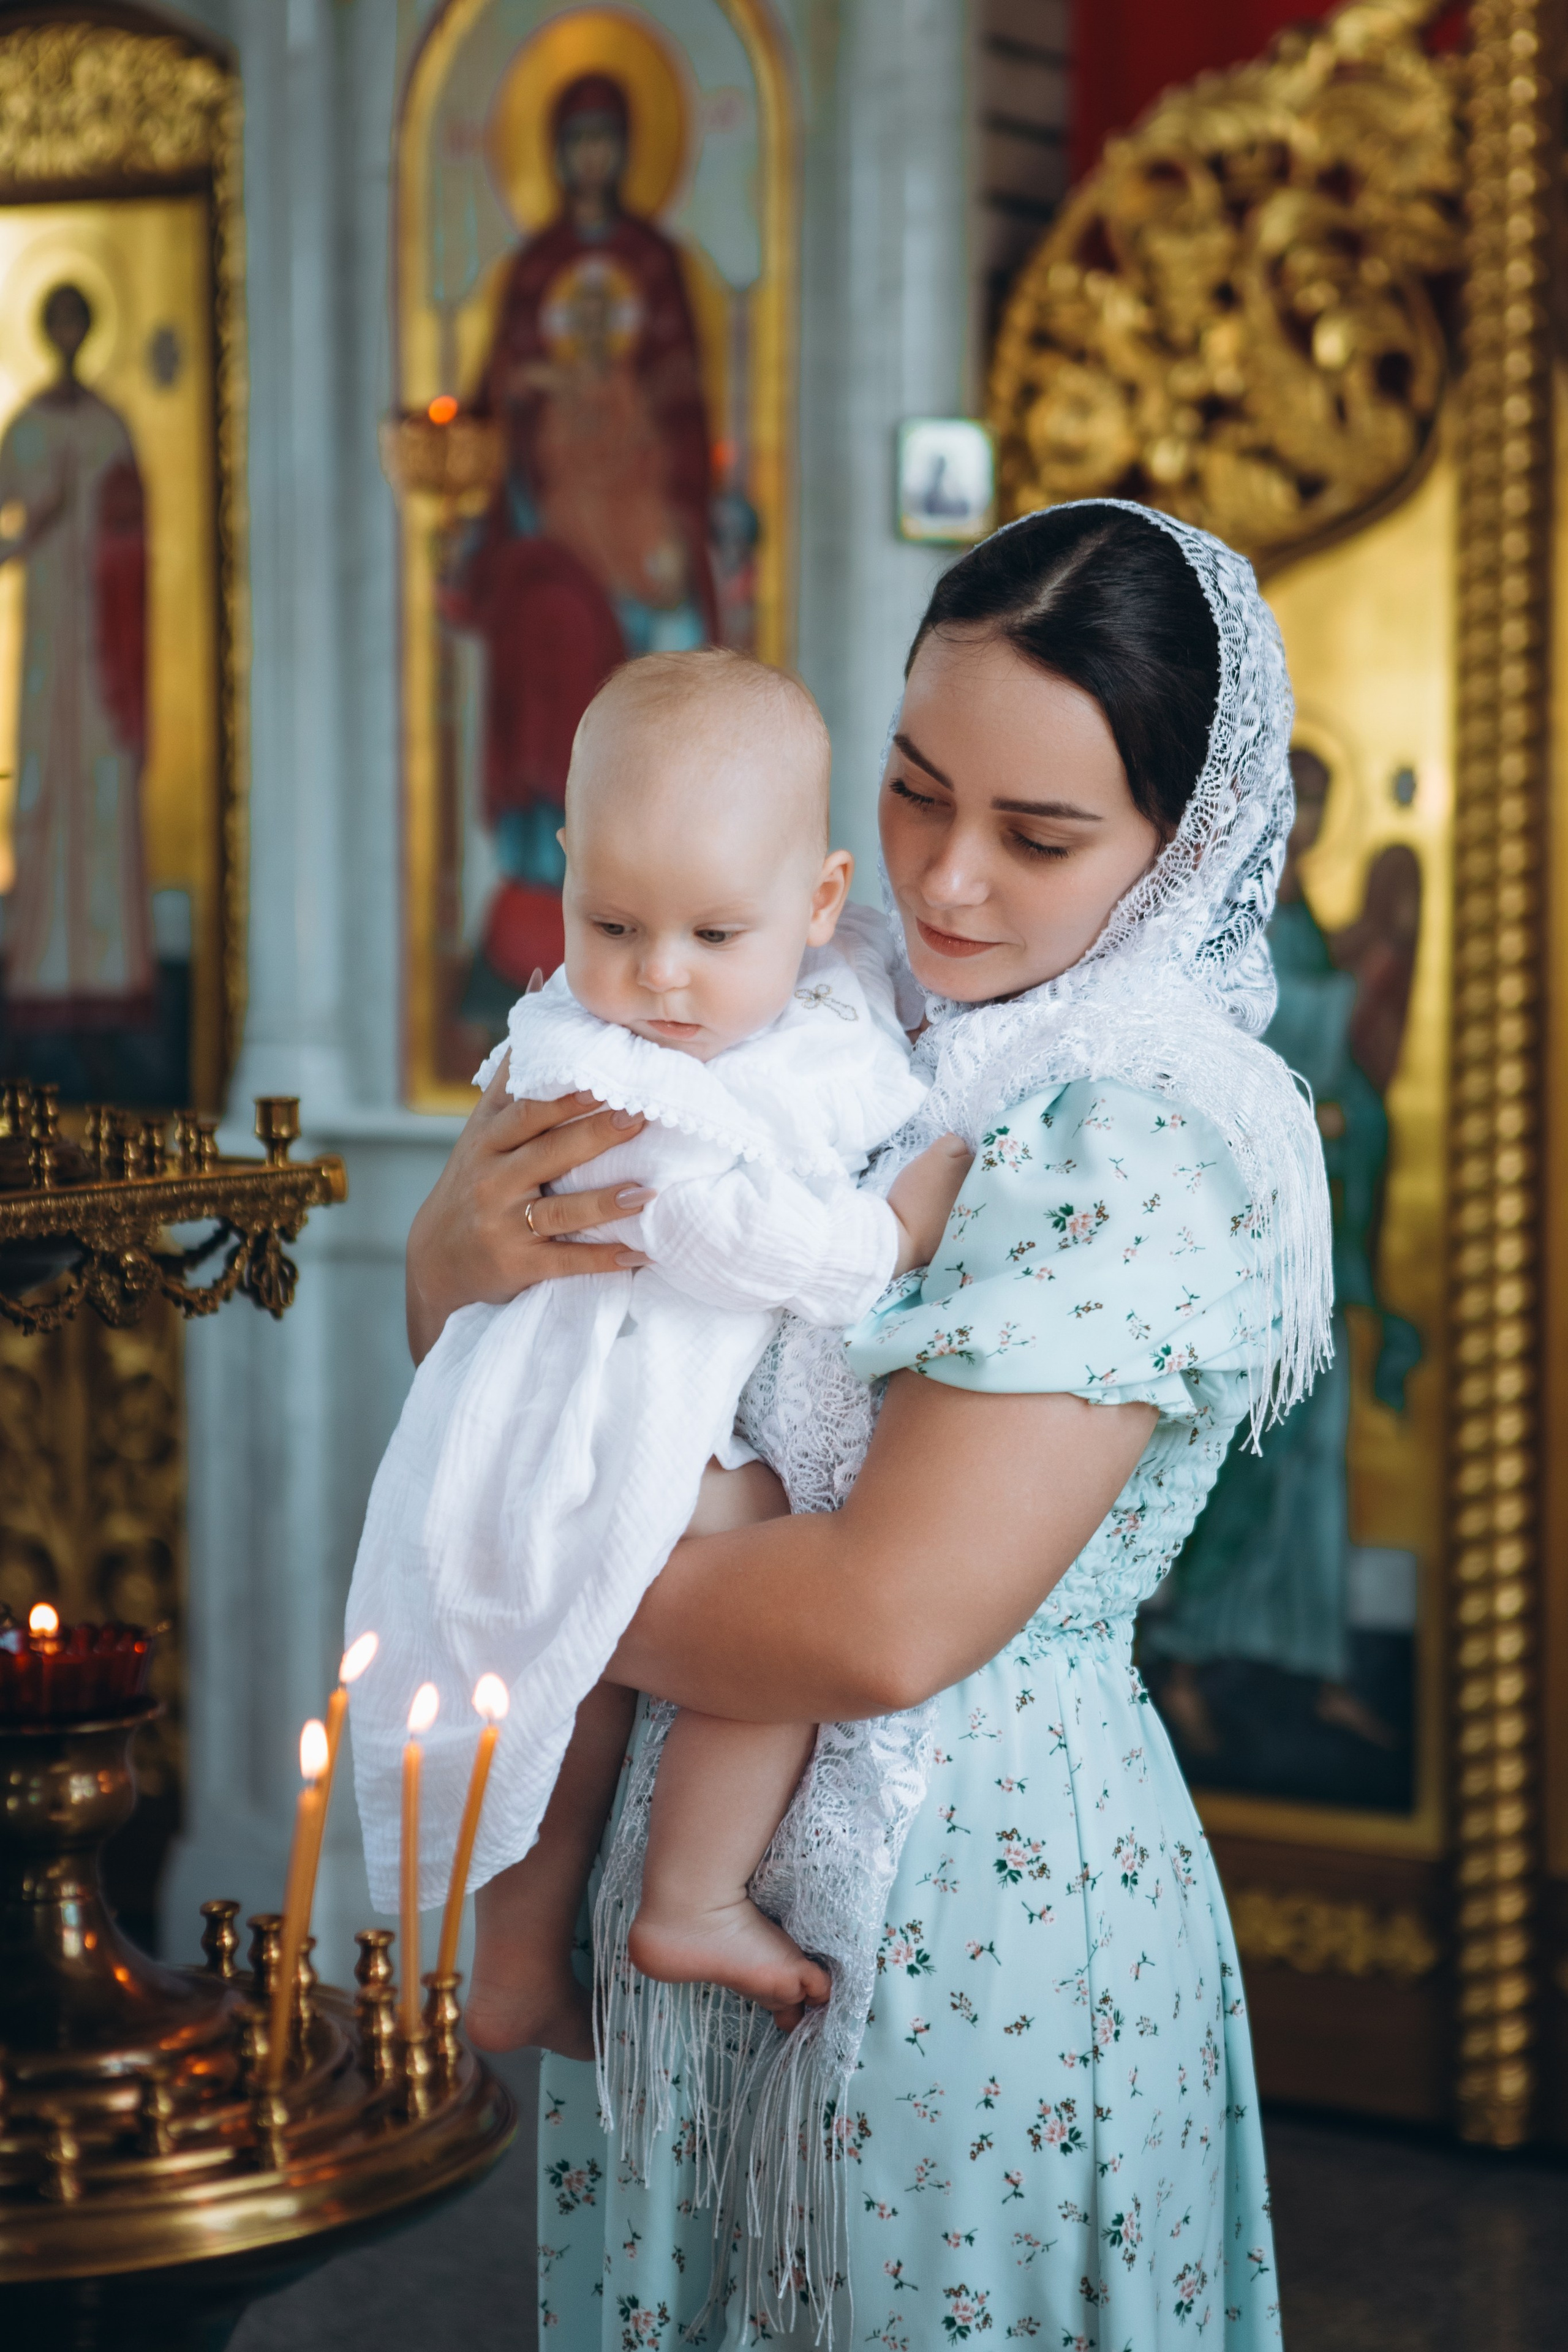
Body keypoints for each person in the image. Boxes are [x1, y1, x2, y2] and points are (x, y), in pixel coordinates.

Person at [402, 502, 1330, 2348]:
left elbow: (876, 1621)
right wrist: (447, 1266)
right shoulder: (791, 997)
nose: (950, 878)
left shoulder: (1138, 1124)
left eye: (1039, 834)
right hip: (669, 1883)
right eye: (915, 791)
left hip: (948, 1928)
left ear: (1183, 841)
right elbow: (519, 1353)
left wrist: (506, 1559)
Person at [348, 648, 960, 2056]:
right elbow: (725, 1230)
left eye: (711, 934)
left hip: (583, 1410)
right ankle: (687, 1891)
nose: (655, 978)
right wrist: (886, 1237)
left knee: (570, 1691)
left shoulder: (809, 986)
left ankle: (507, 1960)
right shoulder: (617, 1073)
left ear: (816, 904)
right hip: (600, 1431)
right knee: (775, 1568)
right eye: (609, 922)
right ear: (561, 876)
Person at [1145, 748, 1422, 1762]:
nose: (1308, 824)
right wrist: (1363, 980)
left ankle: (1317, 1669)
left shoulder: (1303, 916)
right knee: (1251, 1452)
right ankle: (1180, 1654)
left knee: (1315, 1454)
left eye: (1323, 807)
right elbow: (1265, 1033)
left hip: (1317, 1218)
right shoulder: (1238, 917)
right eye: (1298, 804)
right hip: (1246, 1224)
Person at [441, 72, 716, 1002]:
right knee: (547, 718)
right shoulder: (535, 269)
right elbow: (493, 406)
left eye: (606, 137)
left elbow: (682, 399)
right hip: (550, 531)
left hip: (636, 526)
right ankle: (539, 921)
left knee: (645, 719)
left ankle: (648, 900)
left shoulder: (649, 261)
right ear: (555, 152)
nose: (591, 157)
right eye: (577, 138)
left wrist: (686, 510)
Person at [0, 282, 152, 1038]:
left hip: (101, 644)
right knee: (44, 786)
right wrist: (43, 522)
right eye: (53, 318)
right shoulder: (24, 428)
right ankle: (39, 966)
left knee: (98, 789)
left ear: (87, 330)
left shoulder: (109, 428)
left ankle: (108, 970)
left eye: (75, 319)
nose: (65, 331)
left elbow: (135, 532)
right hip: (45, 645)